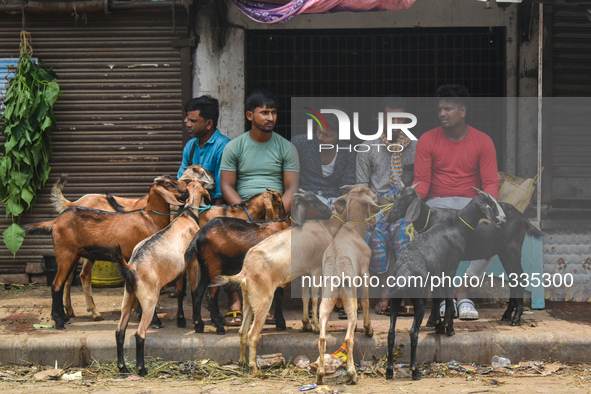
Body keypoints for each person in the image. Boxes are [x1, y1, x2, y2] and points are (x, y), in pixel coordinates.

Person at [413, 84, 499, 320]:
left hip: (470, 205)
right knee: (429, 241)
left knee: (495, 235)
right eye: (439, 109)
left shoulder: (482, 141)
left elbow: (491, 182)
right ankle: (444, 298)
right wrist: (410, 207)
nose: (442, 113)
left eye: (448, 109)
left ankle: (463, 291)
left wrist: (489, 208)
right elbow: (421, 182)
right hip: (437, 204)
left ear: (462, 111)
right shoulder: (427, 140)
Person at [220, 89, 300, 325]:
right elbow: (226, 186)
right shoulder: (235, 147)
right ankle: (234, 301)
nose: (271, 118)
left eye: (273, 112)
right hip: (242, 209)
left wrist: (275, 217)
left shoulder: (286, 147)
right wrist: (245, 214)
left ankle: (267, 303)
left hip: (277, 211)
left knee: (275, 256)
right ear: (249, 115)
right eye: (264, 112)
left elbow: (292, 188)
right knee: (227, 245)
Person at [356, 96, 417, 316]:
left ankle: (407, 293)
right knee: (375, 238)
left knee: (405, 238)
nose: (395, 123)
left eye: (400, 118)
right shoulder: (367, 147)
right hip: (376, 207)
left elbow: (420, 183)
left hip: (405, 207)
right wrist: (381, 202)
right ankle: (385, 290)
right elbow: (361, 186)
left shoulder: (416, 147)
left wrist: (401, 203)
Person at [291, 111, 356, 207]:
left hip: (333, 201)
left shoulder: (347, 152)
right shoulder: (299, 144)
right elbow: (288, 176)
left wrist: (341, 204)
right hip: (304, 199)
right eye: (319, 131)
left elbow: (347, 183)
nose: (320, 137)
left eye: (327, 135)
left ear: (340, 136)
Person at [177, 96, 230, 205]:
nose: (187, 124)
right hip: (192, 204)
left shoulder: (224, 146)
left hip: (214, 206)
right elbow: (181, 182)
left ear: (209, 124)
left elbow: (222, 192)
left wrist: (213, 217)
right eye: (187, 119)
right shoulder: (190, 146)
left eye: (193, 121)